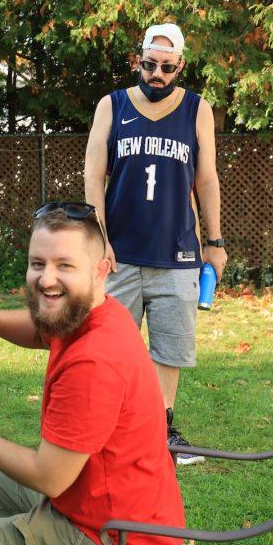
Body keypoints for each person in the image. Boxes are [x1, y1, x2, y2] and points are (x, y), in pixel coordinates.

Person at [0, 202, 184, 545]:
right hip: (127, 513)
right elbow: (44, 332)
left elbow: (49, 478)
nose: (46, 279)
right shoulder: (98, 311)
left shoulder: (94, 360)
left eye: (64, 266)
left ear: (101, 270)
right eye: (38, 264)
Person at [84, 23, 227, 465]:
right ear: (138, 61)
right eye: (149, 65)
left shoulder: (197, 110)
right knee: (110, 350)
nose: (157, 74)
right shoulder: (112, 105)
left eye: (167, 67)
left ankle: (163, 431)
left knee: (169, 351)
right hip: (119, 255)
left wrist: (216, 241)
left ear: (180, 66)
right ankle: (107, 431)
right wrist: (99, 240)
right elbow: (93, 175)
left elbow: (206, 179)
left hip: (179, 255)